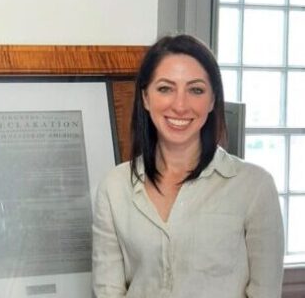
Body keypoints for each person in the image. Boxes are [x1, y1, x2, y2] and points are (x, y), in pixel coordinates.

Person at [92, 34, 284, 297]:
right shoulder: (114, 187)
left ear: (213, 100)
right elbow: (108, 291)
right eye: (165, 88)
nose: (180, 105)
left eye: (195, 90)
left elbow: (266, 292)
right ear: (146, 98)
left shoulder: (254, 187)